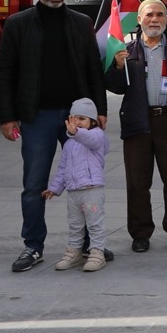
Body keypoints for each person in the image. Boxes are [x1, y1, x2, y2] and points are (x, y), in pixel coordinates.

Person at [0, 0, 109, 273]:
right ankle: (33, 246)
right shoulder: (17, 24)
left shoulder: (81, 23)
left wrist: (100, 110)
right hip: (37, 117)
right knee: (34, 185)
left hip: (78, 119)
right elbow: (5, 73)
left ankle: (90, 245)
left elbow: (92, 69)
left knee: (85, 183)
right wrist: (7, 117)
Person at [106, 0, 167, 253]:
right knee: (138, 183)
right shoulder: (126, 52)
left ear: (166, 19)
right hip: (138, 122)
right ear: (139, 19)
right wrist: (117, 66)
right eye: (149, 14)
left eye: (160, 15)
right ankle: (140, 233)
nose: (154, 19)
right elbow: (115, 87)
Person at [42, 98, 110, 272]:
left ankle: (97, 253)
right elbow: (63, 168)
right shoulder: (70, 144)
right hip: (73, 192)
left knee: (95, 224)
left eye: (82, 119)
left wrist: (75, 133)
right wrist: (55, 188)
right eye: (74, 118)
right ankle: (74, 251)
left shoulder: (96, 136)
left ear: (92, 121)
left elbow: (91, 140)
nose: (78, 123)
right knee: (75, 225)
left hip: (92, 190)